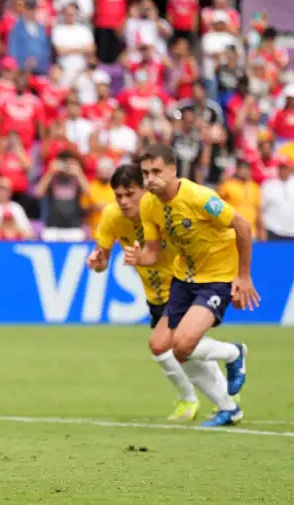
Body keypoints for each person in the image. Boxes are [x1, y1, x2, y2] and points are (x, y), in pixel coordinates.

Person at [125, 144, 259, 427]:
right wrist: (140, 258)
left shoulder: (199, 197)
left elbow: (243, 227)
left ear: (173, 170)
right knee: (166, 346)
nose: (150, 179)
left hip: (218, 276)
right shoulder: (149, 204)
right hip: (184, 278)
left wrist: (243, 276)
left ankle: (234, 353)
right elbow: (154, 253)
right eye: (146, 173)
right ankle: (228, 408)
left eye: (157, 172)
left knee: (183, 345)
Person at [87, 164, 218, 421]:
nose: (123, 202)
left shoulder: (162, 210)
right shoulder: (112, 217)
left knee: (162, 346)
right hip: (156, 296)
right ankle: (224, 397)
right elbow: (101, 262)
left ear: (145, 191)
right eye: (118, 196)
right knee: (185, 351)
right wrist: (97, 263)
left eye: (130, 194)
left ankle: (190, 398)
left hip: (184, 287)